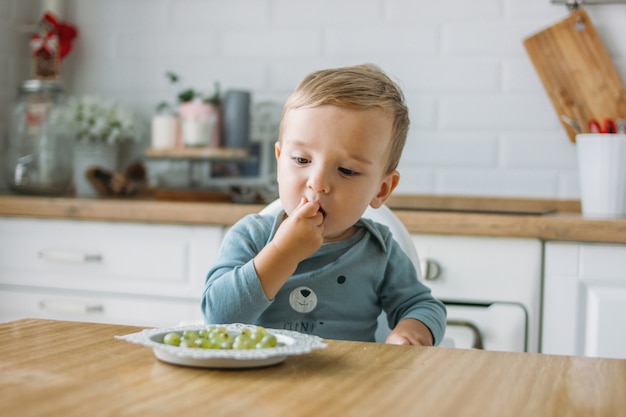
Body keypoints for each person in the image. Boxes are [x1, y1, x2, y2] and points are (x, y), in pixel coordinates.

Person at [202, 63, 446, 345]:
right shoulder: (251, 237)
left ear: (381, 189)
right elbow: (217, 316)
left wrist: (411, 332)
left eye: (347, 171)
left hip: (350, 385)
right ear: (280, 161)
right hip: (262, 383)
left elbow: (424, 306)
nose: (317, 183)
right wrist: (283, 252)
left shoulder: (380, 250)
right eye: (302, 160)